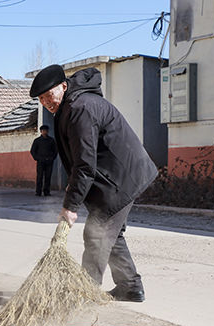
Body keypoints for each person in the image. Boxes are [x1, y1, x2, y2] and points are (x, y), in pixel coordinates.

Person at [30, 64, 158, 302]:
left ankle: (84, 294)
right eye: (41, 99)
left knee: (96, 233)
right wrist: (74, 188)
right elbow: (81, 159)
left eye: (49, 95)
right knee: (111, 233)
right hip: (116, 175)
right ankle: (130, 287)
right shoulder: (71, 106)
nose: (46, 102)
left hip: (121, 178)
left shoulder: (80, 108)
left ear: (64, 87)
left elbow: (85, 164)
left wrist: (71, 206)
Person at [30, 124, 57, 196]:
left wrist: (52, 158)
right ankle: (38, 191)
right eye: (43, 131)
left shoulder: (51, 140)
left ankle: (47, 191)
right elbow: (33, 151)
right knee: (39, 176)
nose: (45, 132)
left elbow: (55, 150)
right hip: (40, 161)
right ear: (41, 131)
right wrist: (37, 158)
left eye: (46, 131)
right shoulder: (37, 141)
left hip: (49, 161)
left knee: (48, 177)